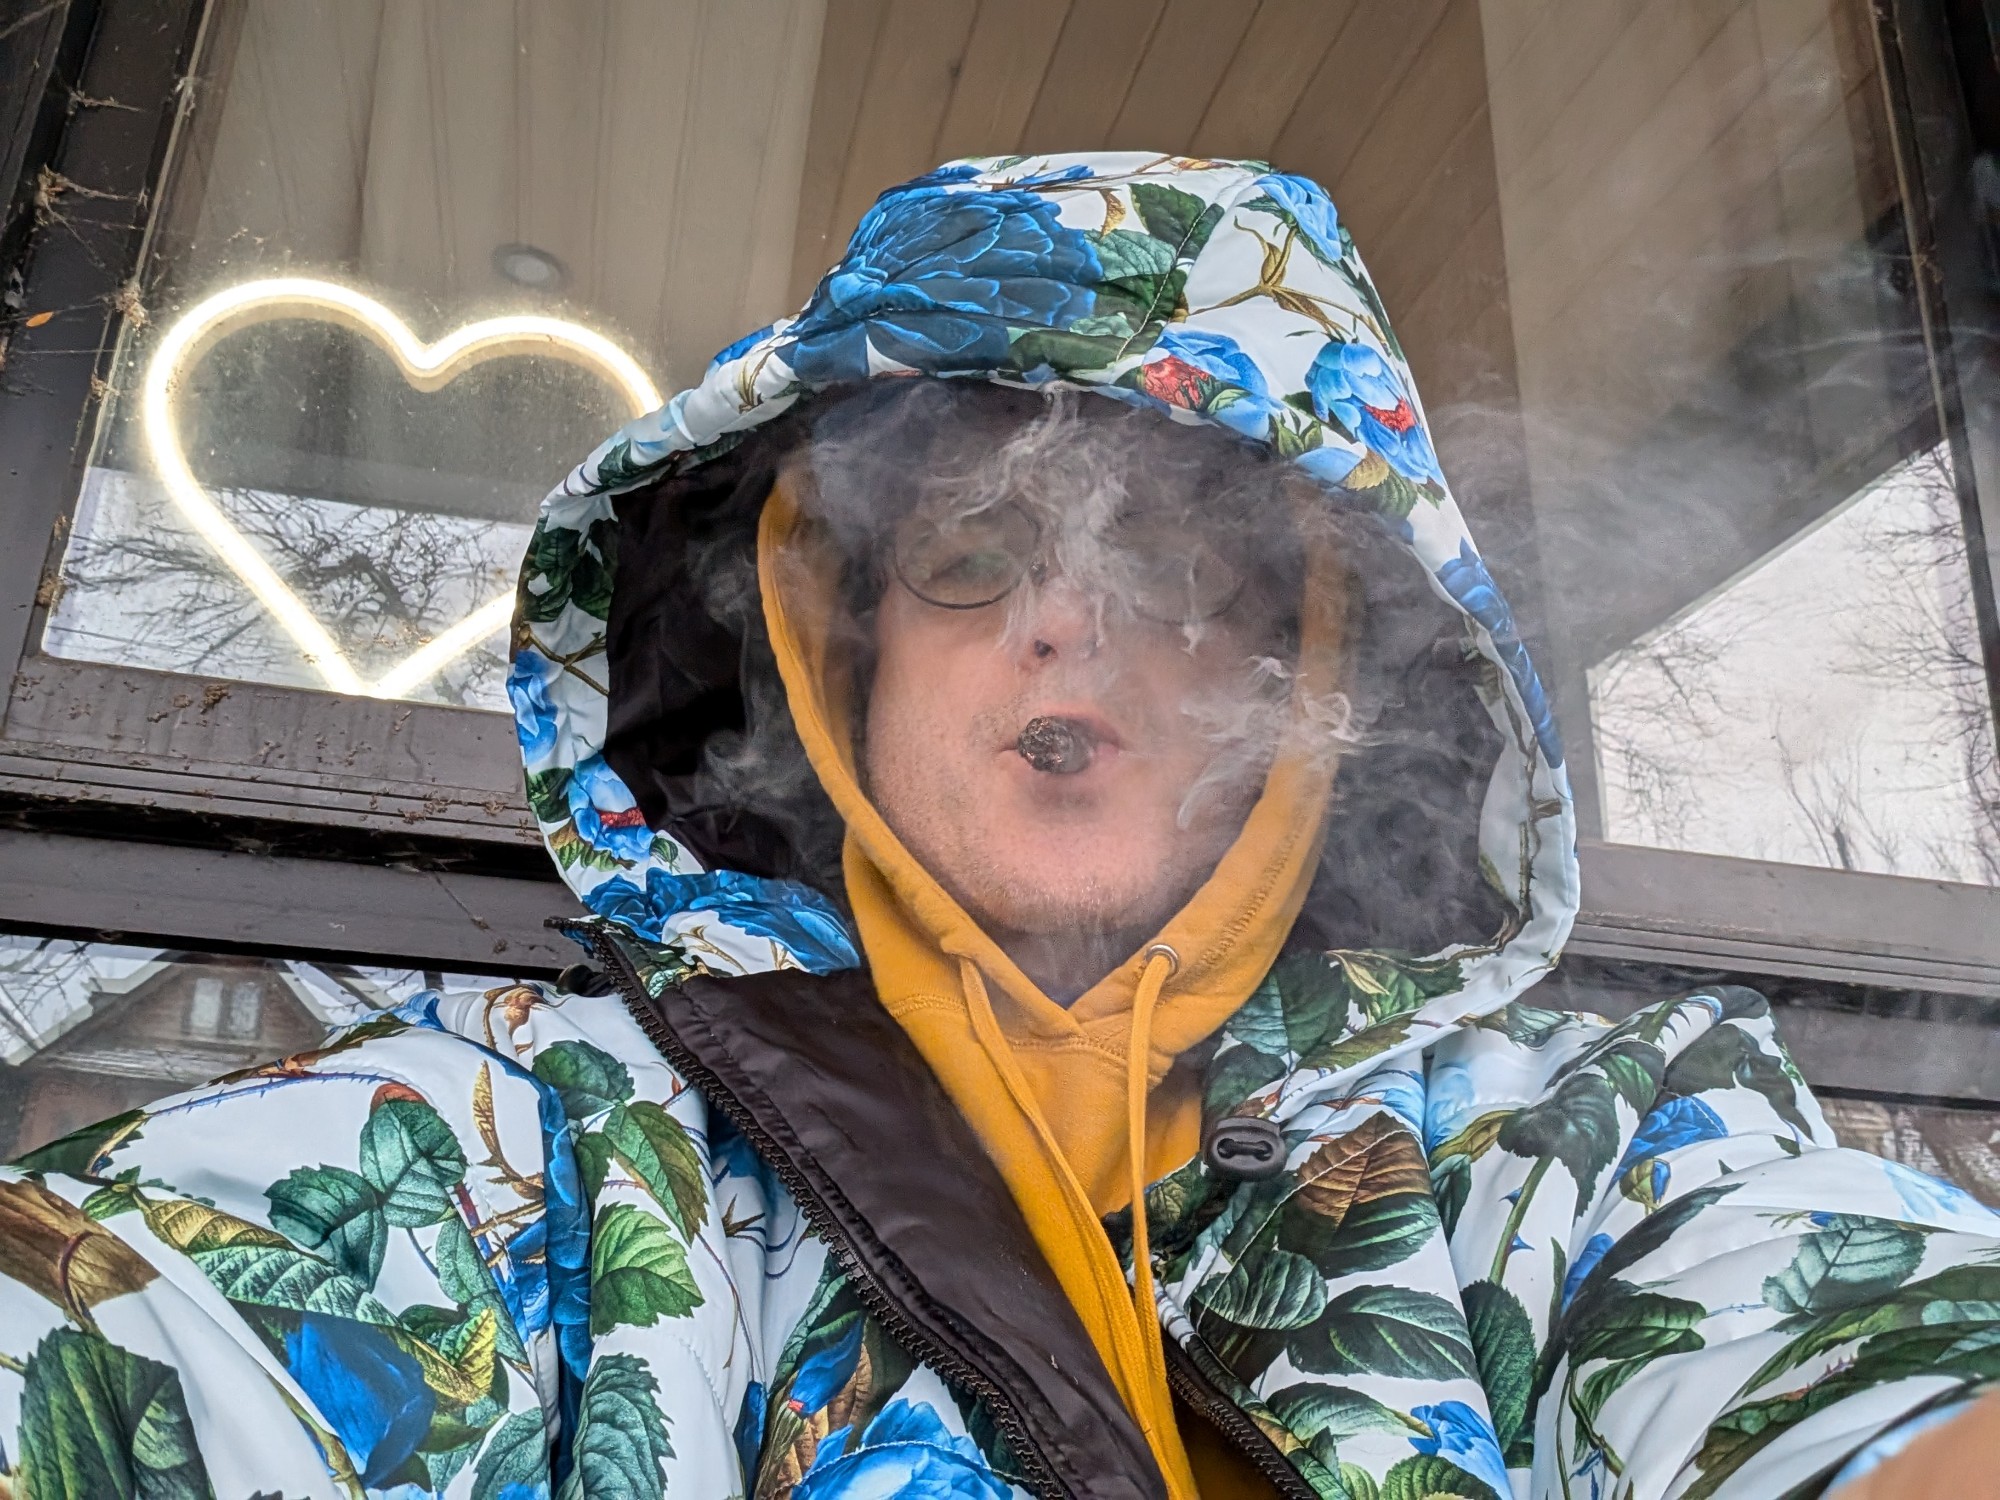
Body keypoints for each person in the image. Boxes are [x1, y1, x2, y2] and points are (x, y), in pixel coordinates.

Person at [1, 154, 1995, 1500]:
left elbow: (1845, 1341)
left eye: (1182, 562)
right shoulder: (539, 1165)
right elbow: (149, 1333)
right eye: (969, 550)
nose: (1069, 620)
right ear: (837, 661)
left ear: (1305, 666)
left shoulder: (1581, 1157)